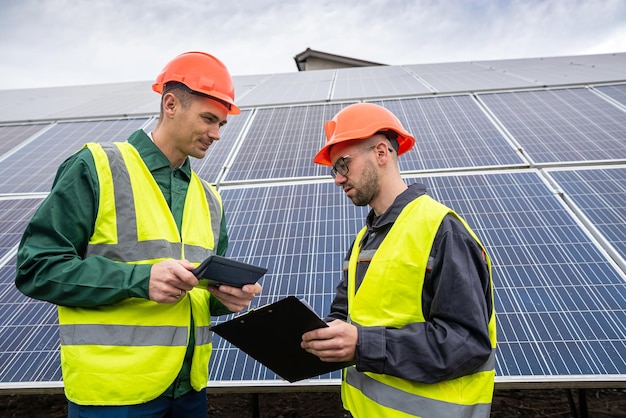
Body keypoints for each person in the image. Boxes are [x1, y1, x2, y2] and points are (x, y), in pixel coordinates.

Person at [15, 51, 262, 417]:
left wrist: (223, 298)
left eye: (222, 125)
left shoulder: (210, 198)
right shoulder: (97, 166)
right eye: (209, 119)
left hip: (189, 391)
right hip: (114, 397)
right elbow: (36, 268)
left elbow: (195, 296)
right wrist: (139, 279)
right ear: (171, 104)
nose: (216, 134)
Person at [302, 103, 496, 417]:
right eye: (334, 169)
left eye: (343, 164)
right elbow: (347, 316)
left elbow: (466, 344)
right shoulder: (364, 240)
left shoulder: (442, 231)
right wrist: (324, 336)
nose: (338, 179)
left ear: (381, 152)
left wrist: (362, 345)